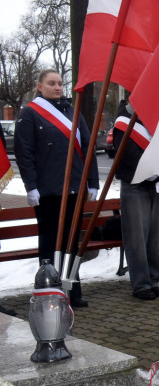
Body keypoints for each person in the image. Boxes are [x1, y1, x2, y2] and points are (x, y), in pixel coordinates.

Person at [14, 69, 99, 307]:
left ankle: (72, 288)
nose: (58, 87)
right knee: (50, 241)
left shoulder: (73, 112)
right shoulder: (30, 114)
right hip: (48, 191)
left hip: (74, 189)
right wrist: (31, 186)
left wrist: (92, 182)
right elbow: (25, 154)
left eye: (60, 83)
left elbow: (88, 149)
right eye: (51, 83)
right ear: (40, 86)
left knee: (71, 242)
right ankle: (49, 289)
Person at [111, 98, 159, 301]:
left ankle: (154, 279)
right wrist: (151, 170)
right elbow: (125, 153)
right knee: (137, 237)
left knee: (156, 236)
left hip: (157, 182)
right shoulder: (123, 121)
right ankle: (141, 283)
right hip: (135, 183)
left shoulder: (156, 118)